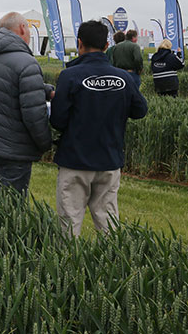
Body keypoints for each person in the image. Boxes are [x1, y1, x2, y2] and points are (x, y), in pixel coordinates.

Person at [49, 20, 148, 236]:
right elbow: (140, 111)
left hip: (74, 160)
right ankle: (112, 267)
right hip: (109, 159)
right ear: (106, 46)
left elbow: (57, 120)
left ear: (79, 43)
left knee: (69, 224)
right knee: (108, 225)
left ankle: (67, 267)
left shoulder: (69, 76)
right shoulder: (124, 78)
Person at [0, 12, 54, 195]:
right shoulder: (26, 62)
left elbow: (3, 84)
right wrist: (45, 143)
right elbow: (34, 115)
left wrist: (42, 88)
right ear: (22, 28)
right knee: (11, 210)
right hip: (13, 150)